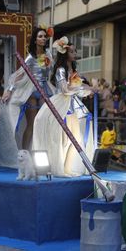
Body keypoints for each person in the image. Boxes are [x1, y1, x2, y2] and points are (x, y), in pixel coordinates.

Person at [32, 36, 95, 177]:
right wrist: (83, 89)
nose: (75, 54)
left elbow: (75, 88)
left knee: (76, 140)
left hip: (71, 105)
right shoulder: (61, 69)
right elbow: (65, 89)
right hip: (63, 105)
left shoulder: (72, 69)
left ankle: (66, 168)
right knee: (66, 140)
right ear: (65, 53)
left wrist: (88, 89)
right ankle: (61, 169)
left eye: (75, 52)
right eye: (72, 52)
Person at [0, 26, 55, 167]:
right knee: (32, 123)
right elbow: (20, 75)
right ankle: (23, 154)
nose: (43, 39)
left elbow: (49, 71)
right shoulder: (30, 57)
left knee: (45, 122)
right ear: (35, 40)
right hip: (32, 90)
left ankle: (42, 153)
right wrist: (9, 90)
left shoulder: (48, 54)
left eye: (44, 36)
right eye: (40, 36)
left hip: (46, 88)